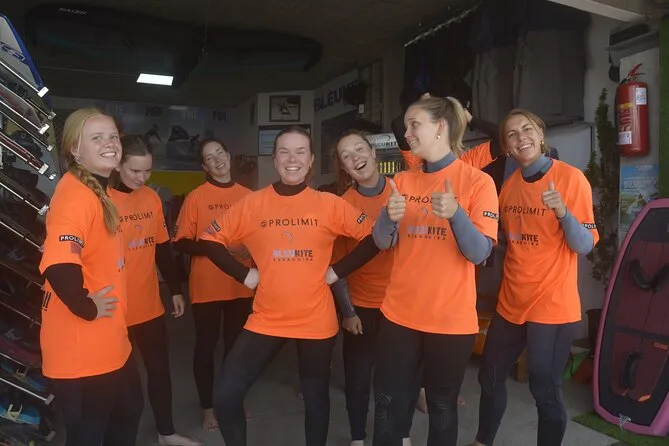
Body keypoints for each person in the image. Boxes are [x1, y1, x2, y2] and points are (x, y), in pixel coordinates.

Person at [198, 126, 381, 446]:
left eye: (300, 152)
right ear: (274, 159)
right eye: (284, 152)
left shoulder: (329, 204)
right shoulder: (252, 204)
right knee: (226, 395)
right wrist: (243, 275)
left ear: (311, 161)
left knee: (315, 396)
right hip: (267, 318)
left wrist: (336, 272)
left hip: (316, 320)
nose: (292, 159)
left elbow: (374, 237)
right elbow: (209, 239)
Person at [372, 96, 499, 446]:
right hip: (399, 315)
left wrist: (456, 214)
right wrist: (388, 216)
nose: (407, 133)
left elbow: (479, 253)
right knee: (387, 403)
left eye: (415, 125)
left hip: (450, 320)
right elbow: (382, 241)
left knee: (441, 407)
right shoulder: (402, 180)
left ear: (440, 127)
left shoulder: (477, 182)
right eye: (406, 126)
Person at [467, 109, 598, 446]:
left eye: (526, 129)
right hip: (511, 302)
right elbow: (508, 242)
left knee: (544, 387)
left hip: (551, 306)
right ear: (506, 147)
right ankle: (482, 442)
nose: (520, 137)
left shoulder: (570, 179)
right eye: (511, 134)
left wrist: (563, 213)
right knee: (489, 375)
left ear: (540, 135)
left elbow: (584, 245)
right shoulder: (508, 188)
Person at [39, 108, 143, 445]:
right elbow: (59, 264)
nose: (110, 143)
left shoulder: (98, 192)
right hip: (82, 349)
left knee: (127, 414)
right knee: (89, 434)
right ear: (75, 149)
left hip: (110, 341)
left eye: (113, 136)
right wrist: (87, 307)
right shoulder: (76, 196)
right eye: (97, 138)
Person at [108, 135, 201, 446]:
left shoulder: (151, 198)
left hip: (149, 306)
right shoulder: (102, 200)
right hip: (114, 310)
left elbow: (162, 248)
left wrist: (175, 289)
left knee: (159, 370)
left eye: (147, 171)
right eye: (135, 171)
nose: (142, 178)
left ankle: (166, 432)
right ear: (118, 165)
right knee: (118, 381)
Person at [172, 138, 254, 431]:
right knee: (206, 347)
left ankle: (232, 402)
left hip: (241, 284)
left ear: (228, 155)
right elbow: (180, 242)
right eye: (210, 157)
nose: (217, 159)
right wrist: (216, 247)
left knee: (237, 349)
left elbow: (260, 237)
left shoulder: (249, 196)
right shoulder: (196, 197)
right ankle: (208, 407)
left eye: (220, 152)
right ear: (204, 167)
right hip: (207, 287)